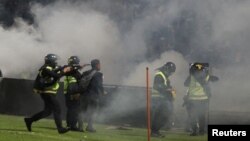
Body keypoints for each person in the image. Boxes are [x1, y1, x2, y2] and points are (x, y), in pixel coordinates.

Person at [24, 54, 71, 134]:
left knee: (47, 111)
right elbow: (56, 76)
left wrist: (65, 67)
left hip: (48, 92)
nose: (56, 62)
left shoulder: (48, 68)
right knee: (57, 109)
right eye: (55, 61)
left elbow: (56, 71)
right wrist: (64, 71)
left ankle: (29, 120)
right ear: (51, 61)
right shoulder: (46, 69)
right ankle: (60, 128)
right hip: (47, 92)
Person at [184, 62, 218, 136]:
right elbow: (215, 79)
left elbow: (185, 84)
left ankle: (194, 131)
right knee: (201, 116)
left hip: (193, 99)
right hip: (202, 99)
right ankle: (201, 131)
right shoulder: (205, 76)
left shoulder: (191, 77)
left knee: (193, 116)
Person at [151, 62, 176, 137]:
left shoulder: (164, 76)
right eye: (170, 71)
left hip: (162, 99)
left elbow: (165, 86)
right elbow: (158, 86)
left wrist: (171, 91)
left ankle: (155, 131)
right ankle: (155, 131)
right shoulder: (159, 75)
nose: (170, 73)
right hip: (159, 99)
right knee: (163, 115)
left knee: (162, 116)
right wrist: (168, 90)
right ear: (167, 69)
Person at [79, 59, 104, 132]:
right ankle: (89, 127)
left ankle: (80, 127)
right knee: (92, 112)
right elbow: (99, 85)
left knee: (82, 111)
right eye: (99, 64)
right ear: (97, 65)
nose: (100, 66)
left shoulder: (85, 73)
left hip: (84, 95)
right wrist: (102, 92)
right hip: (93, 95)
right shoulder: (99, 74)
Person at [64, 56, 84, 132]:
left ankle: (71, 125)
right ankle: (71, 125)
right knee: (74, 110)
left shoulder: (71, 71)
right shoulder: (72, 71)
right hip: (72, 93)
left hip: (69, 93)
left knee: (72, 110)